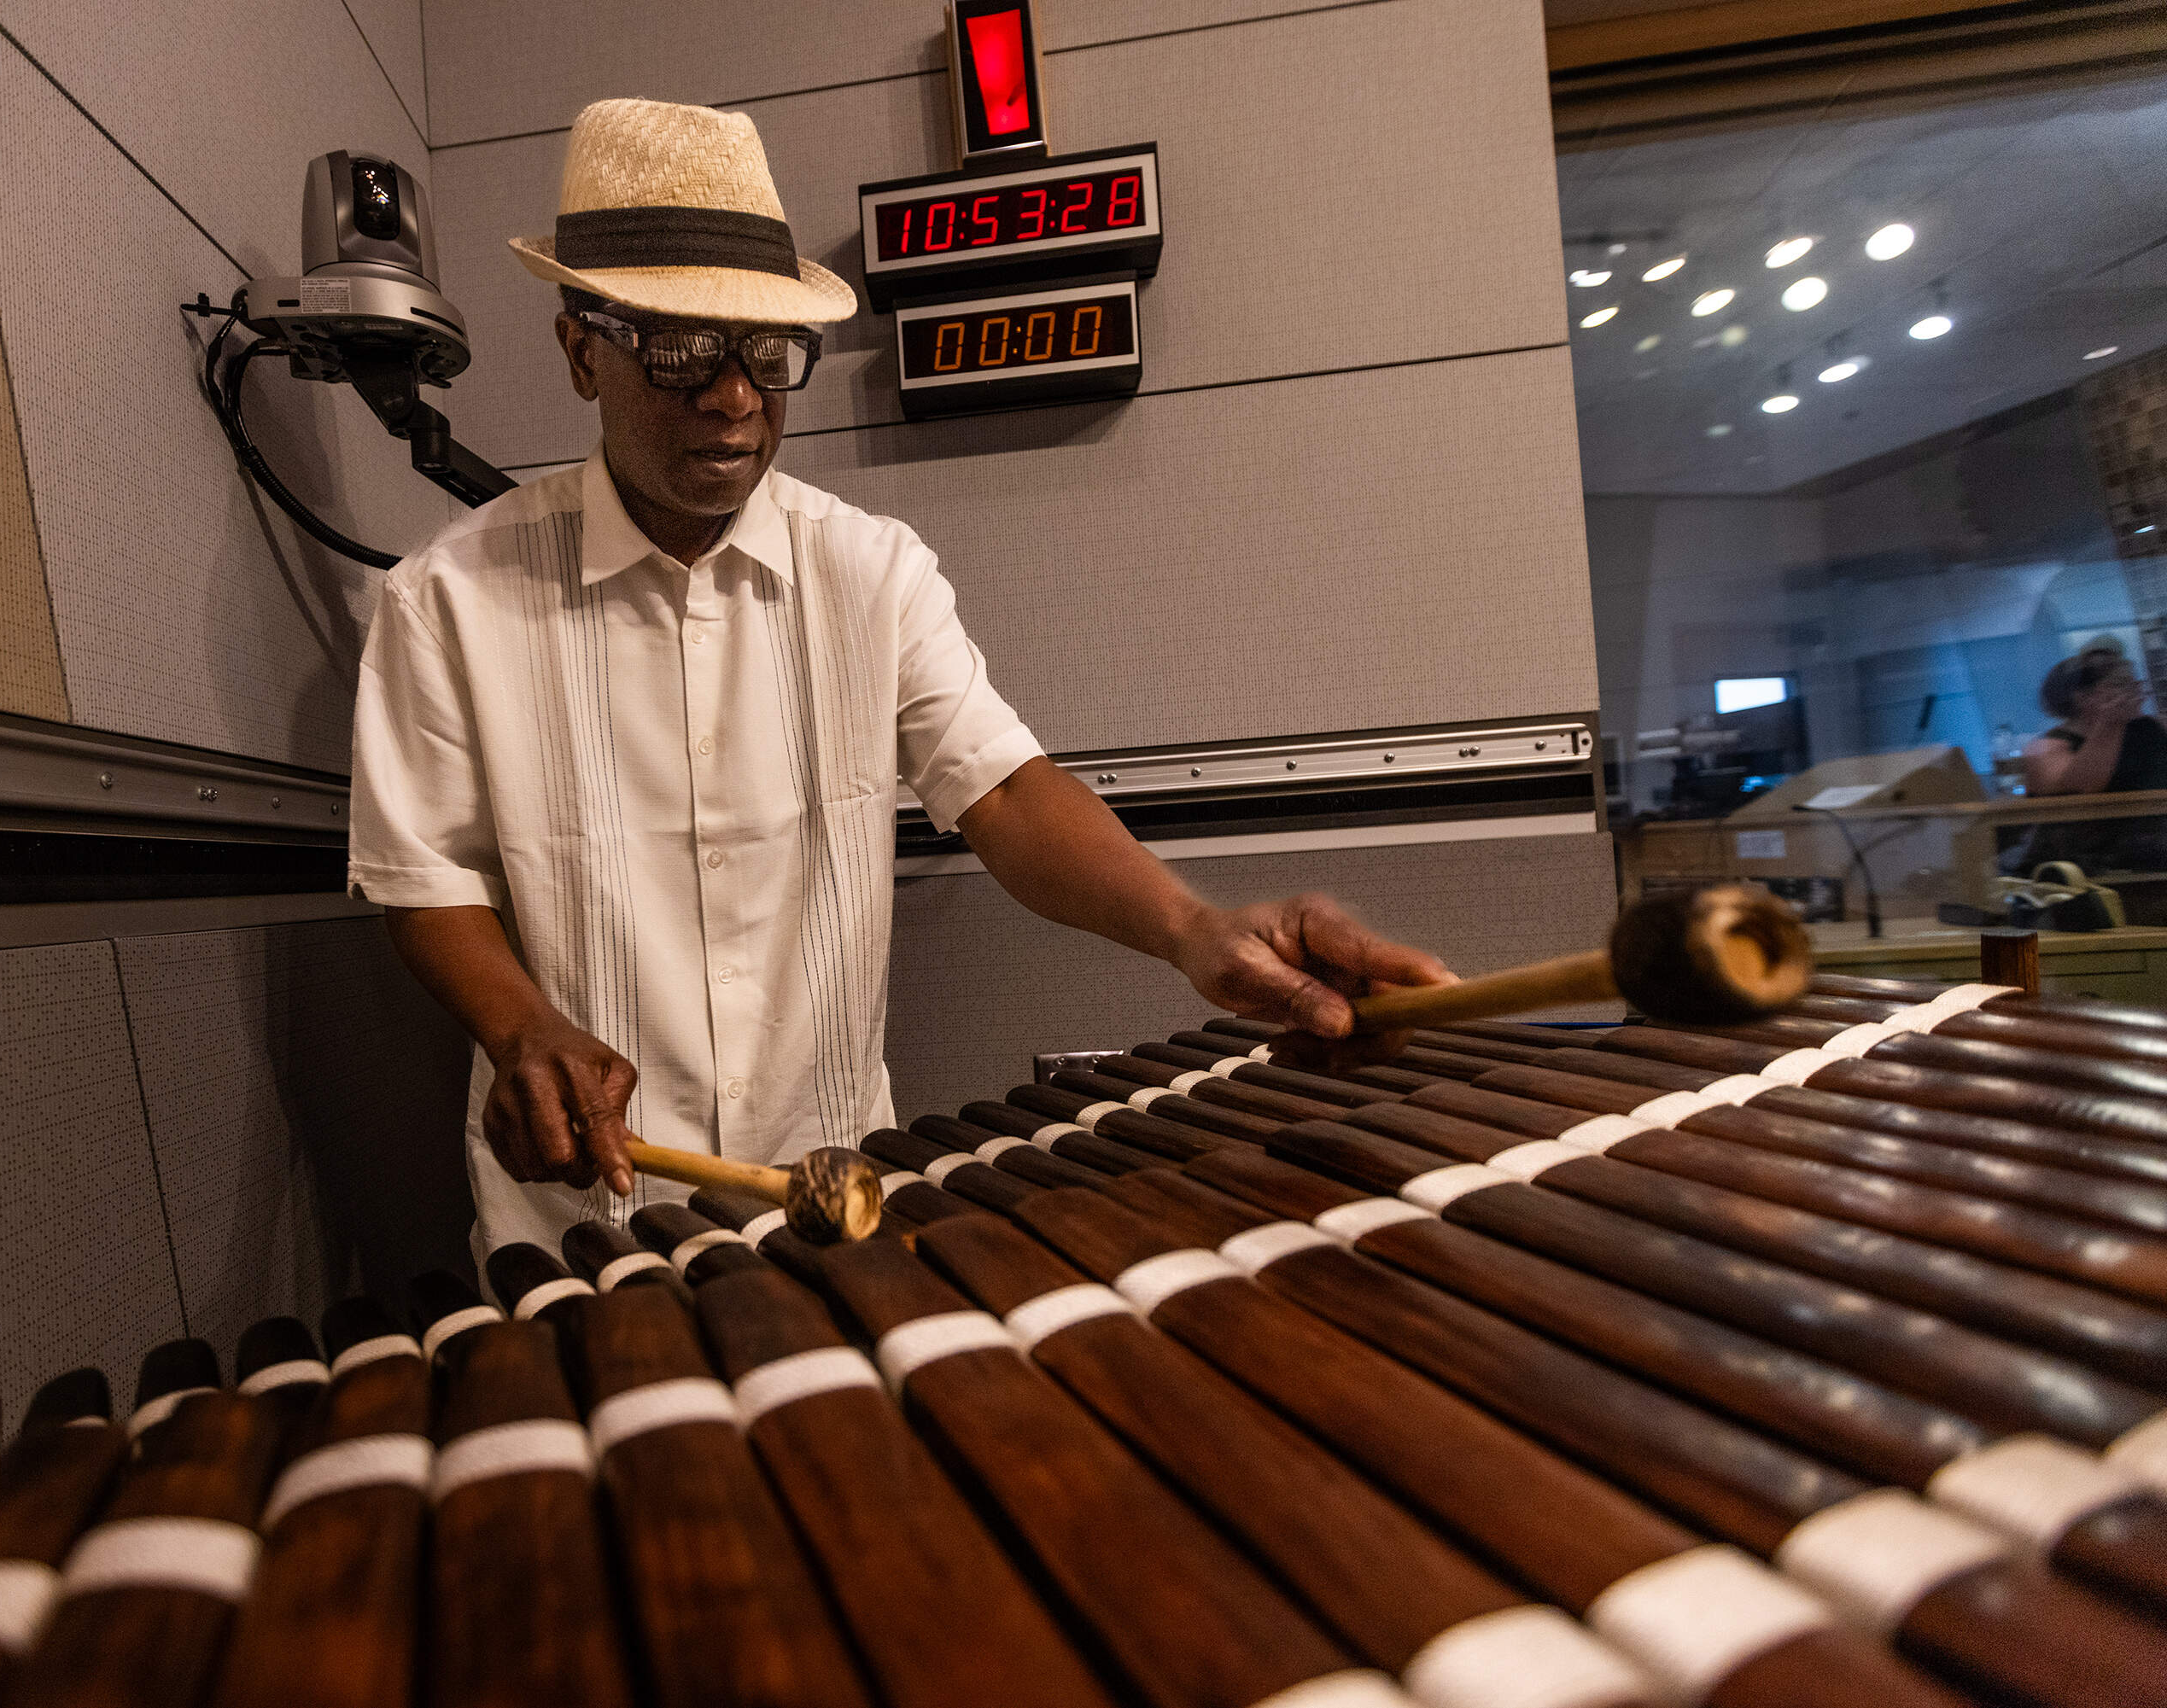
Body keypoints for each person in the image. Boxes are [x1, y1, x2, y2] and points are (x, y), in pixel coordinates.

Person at [348, 98, 1451, 1263]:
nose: (733, 397)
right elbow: (427, 882)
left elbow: (1008, 793)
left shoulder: (870, 571)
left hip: (827, 1202)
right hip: (580, 1225)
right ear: (581, 349)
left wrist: (1193, 928)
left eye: (769, 355)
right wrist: (522, 1027)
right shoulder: (446, 599)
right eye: (680, 349)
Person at [2015, 638, 2167, 873]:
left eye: (2134, 684)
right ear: (2082, 698)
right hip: (2085, 866)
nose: (2136, 693)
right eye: (2121, 685)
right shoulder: (2046, 749)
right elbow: (2085, 784)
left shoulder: (2146, 729)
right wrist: (2109, 723)